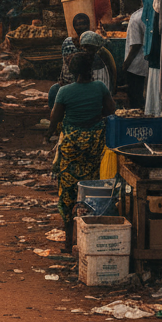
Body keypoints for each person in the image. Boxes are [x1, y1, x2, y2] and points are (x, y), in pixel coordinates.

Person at [47, 52, 116, 251]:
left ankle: (69, 242)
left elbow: (55, 119)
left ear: (72, 70)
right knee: (92, 189)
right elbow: (110, 110)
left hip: (71, 148)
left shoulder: (64, 92)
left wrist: (48, 135)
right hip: (94, 146)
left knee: (67, 193)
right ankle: (90, 239)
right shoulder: (100, 87)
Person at [48, 12, 92, 109]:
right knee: (53, 90)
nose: (81, 26)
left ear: (89, 25)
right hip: (68, 83)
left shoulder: (92, 42)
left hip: (86, 83)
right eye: (78, 24)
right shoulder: (68, 42)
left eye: (83, 23)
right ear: (74, 26)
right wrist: (61, 80)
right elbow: (65, 65)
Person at [122, 0, 149, 108]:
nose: (122, 6)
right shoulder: (145, 14)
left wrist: (126, 64)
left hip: (136, 66)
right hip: (146, 63)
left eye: (123, 3)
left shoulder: (134, 19)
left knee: (135, 96)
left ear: (130, 3)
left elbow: (136, 45)